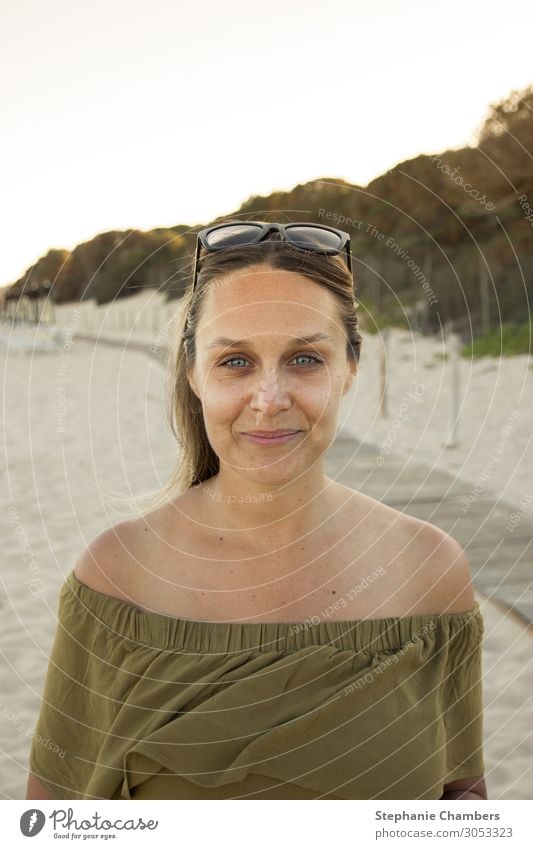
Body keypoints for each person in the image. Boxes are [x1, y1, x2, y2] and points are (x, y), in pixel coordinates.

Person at [26, 220, 486, 800]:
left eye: (304, 359)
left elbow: (464, 807)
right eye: (236, 362)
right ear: (193, 372)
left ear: (349, 368)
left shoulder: (430, 570)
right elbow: (51, 822)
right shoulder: (118, 574)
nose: (269, 401)